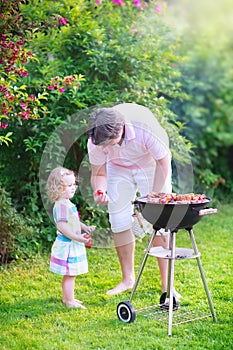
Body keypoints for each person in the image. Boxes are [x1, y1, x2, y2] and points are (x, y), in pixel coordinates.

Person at [87, 103, 180, 299]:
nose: (104, 148)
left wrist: (153, 198)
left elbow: (163, 162)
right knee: (118, 221)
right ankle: (127, 279)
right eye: (102, 145)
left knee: (159, 222)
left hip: (151, 165)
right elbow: (98, 172)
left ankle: (167, 286)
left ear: (120, 130)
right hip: (118, 168)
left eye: (109, 144)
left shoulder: (144, 126)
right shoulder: (96, 138)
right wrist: (99, 190)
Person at [47, 166, 95, 309]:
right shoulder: (61, 205)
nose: (73, 187)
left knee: (71, 273)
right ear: (58, 188)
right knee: (70, 273)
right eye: (68, 185)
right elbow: (62, 226)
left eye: (74, 184)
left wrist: (84, 227)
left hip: (72, 243)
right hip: (68, 245)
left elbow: (72, 220)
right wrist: (77, 237)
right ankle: (69, 300)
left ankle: (68, 297)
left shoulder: (66, 203)